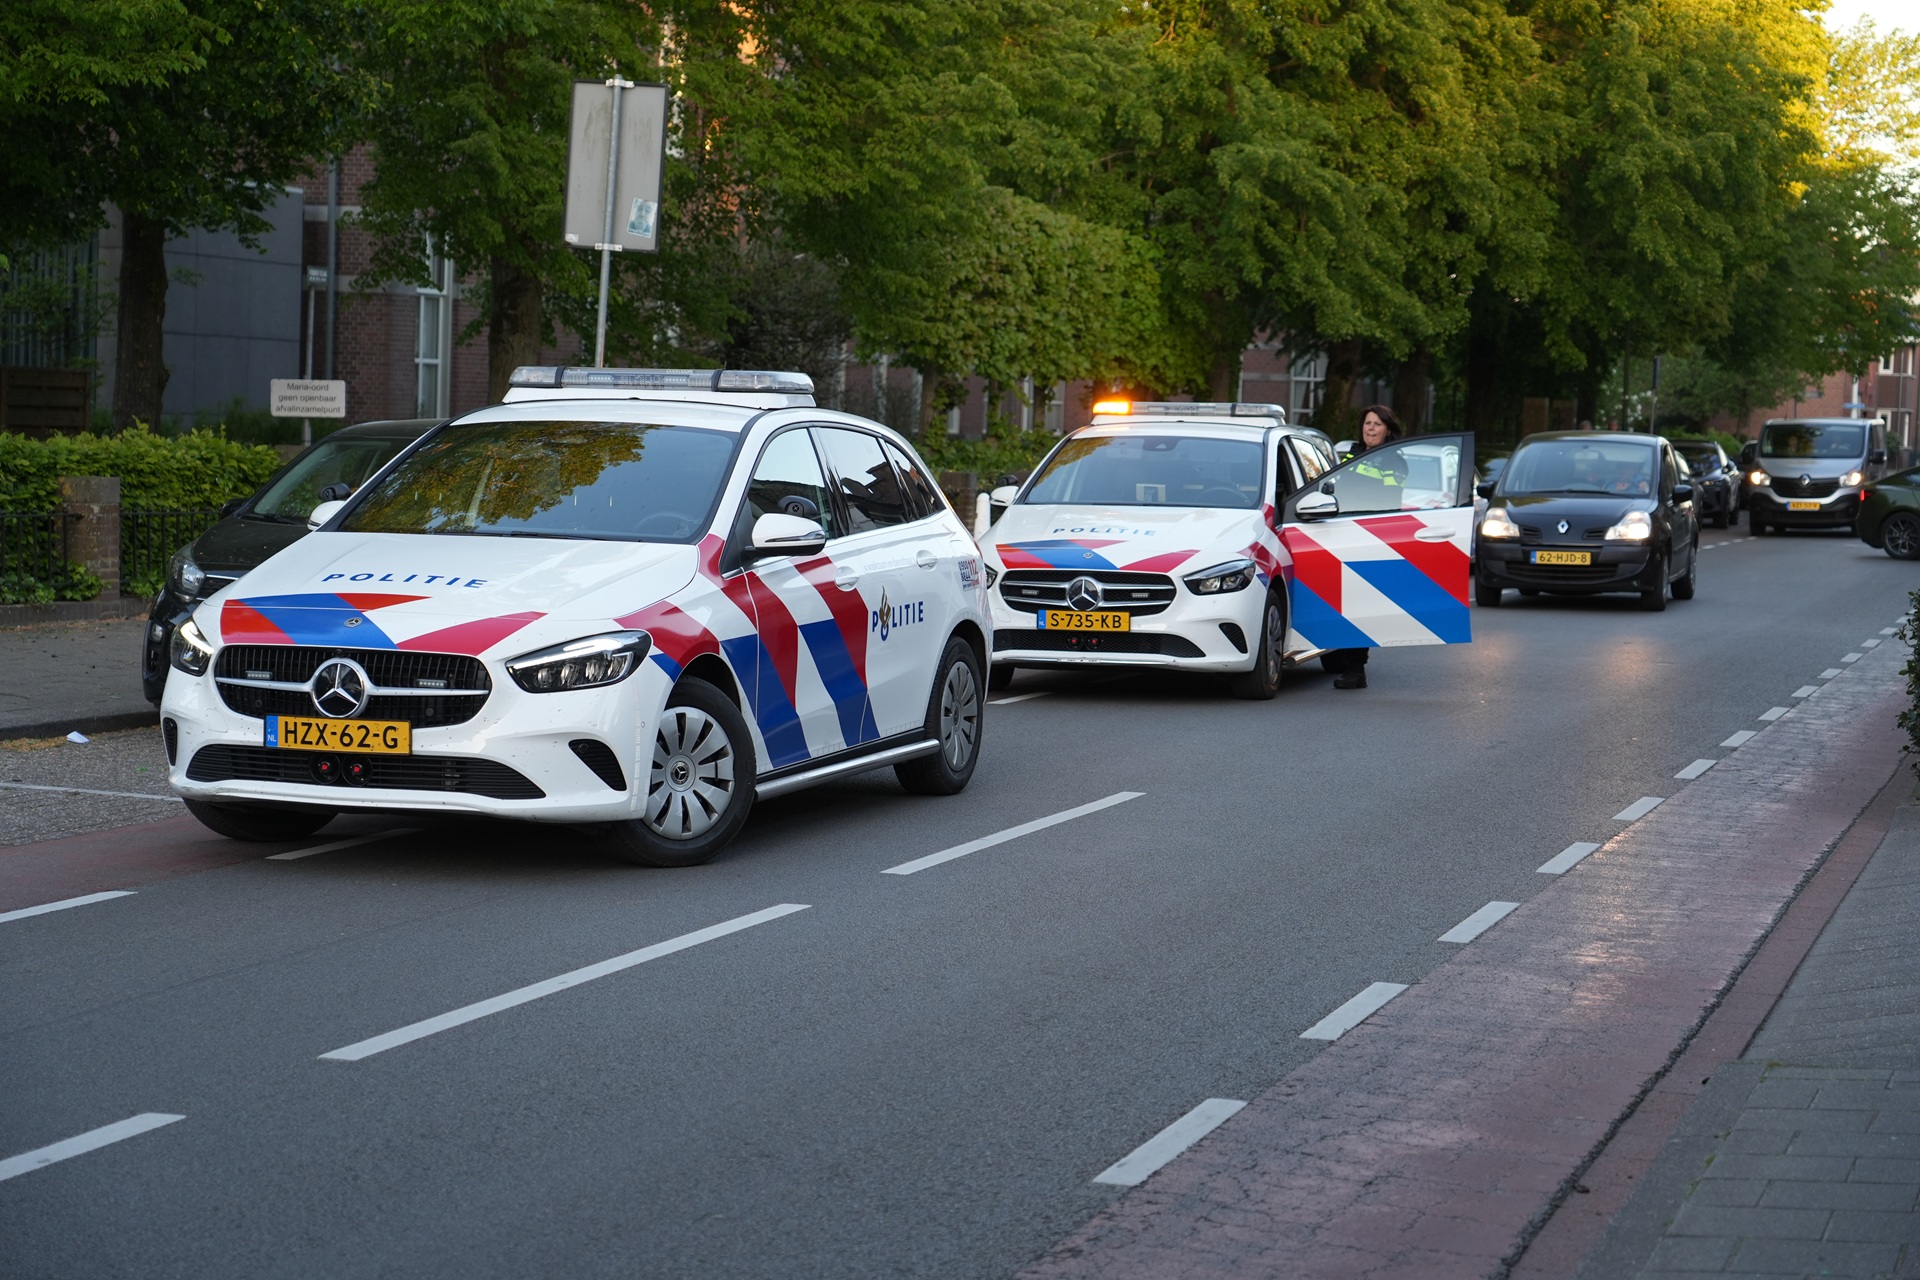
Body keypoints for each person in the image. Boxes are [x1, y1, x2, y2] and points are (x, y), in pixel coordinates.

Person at [1328, 405, 1402, 690]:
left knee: (1357, 603)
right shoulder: (1352, 453)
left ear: (1388, 430)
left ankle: (1356, 670)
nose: (1370, 428)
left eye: (1377, 424)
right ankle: (1344, 660)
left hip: (1369, 536)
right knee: (1341, 601)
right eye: (1367, 423)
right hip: (1341, 533)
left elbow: (1389, 497)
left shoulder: (1393, 461)